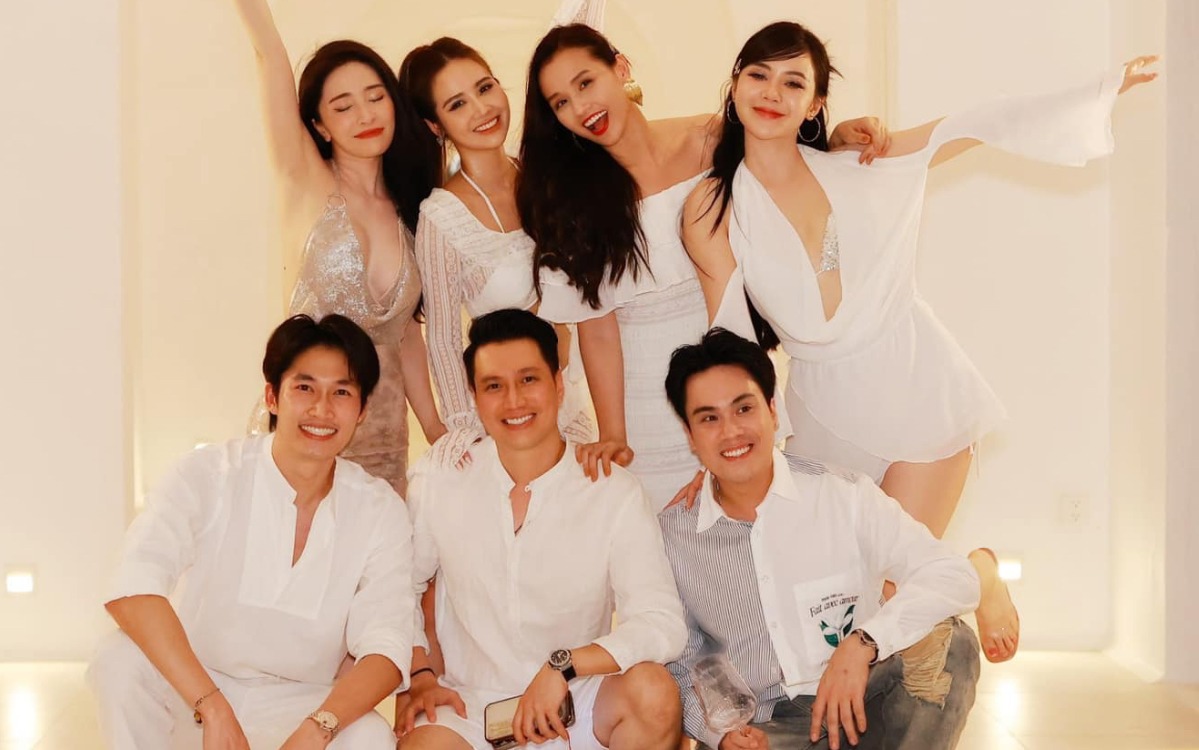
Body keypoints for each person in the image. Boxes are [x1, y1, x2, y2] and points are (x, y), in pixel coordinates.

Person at [681, 20, 1160, 661]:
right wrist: (718, 445)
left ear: (816, 104)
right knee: (841, 595)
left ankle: (978, 576)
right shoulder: (711, 206)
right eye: (758, 75)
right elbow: (729, 335)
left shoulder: (858, 166)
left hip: (916, 381)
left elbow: (966, 127)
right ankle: (975, 569)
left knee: (888, 598)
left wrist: (1099, 89)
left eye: (793, 82)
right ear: (735, 84)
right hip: (824, 403)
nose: (772, 92)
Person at [516, 22, 888, 510]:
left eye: (586, 83)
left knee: (754, 528)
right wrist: (616, 436)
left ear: (620, 68)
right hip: (641, 407)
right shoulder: (570, 199)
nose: (581, 107)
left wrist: (834, 138)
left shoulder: (711, 140)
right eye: (561, 102)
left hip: (729, 382)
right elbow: (598, 328)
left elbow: (783, 161)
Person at [87, 314, 414, 749]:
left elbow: (387, 646)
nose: (321, 409)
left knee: (370, 737)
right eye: (305, 388)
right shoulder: (208, 473)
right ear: (272, 397)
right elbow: (134, 588)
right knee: (117, 662)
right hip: (194, 689)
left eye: (341, 392)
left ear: (362, 410)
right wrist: (212, 705)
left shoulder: (379, 509)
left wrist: (319, 728)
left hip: (302, 705)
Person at [660, 329, 980, 750]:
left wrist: (864, 642)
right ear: (690, 435)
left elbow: (953, 574)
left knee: (950, 643)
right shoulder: (674, 536)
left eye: (744, 408)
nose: (731, 431)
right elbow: (681, 662)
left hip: (864, 703)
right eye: (709, 419)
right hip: (768, 731)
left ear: (773, 411)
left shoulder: (843, 495)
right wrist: (719, 735)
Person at [395, 309, 687, 750]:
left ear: (557, 383)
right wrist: (419, 674)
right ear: (475, 397)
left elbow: (661, 622)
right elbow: (398, 589)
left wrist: (564, 666)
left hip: (575, 698)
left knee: (653, 693)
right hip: (471, 708)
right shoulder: (441, 479)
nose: (513, 401)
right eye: (494, 386)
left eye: (528, 379)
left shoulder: (613, 491)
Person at [232, 0, 445, 494]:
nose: (365, 115)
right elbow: (268, 53)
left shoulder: (411, 208)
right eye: (343, 107)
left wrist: (436, 429)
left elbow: (406, 338)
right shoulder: (305, 178)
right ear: (320, 126)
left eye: (375, 97)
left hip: (384, 441)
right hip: (305, 431)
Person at [398, 37, 595, 468]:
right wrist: (465, 432)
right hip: (510, 420)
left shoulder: (544, 178)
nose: (482, 109)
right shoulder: (441, 217)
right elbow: (444, 339)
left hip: (582, 400)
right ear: (435, 126)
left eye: (485, 88)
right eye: (457, 104)